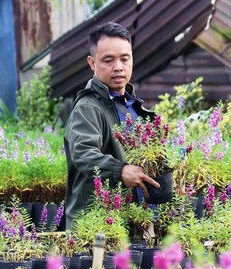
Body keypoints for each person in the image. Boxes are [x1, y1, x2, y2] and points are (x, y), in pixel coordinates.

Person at [63, 21, 160, 230]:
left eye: (125, 59)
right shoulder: (88, 107)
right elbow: (83, 153)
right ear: (92, 63)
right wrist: (121, 171)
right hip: (96, 227)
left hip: (135, 222)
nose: (118, 67)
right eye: (108, 60)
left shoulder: (134, 106)